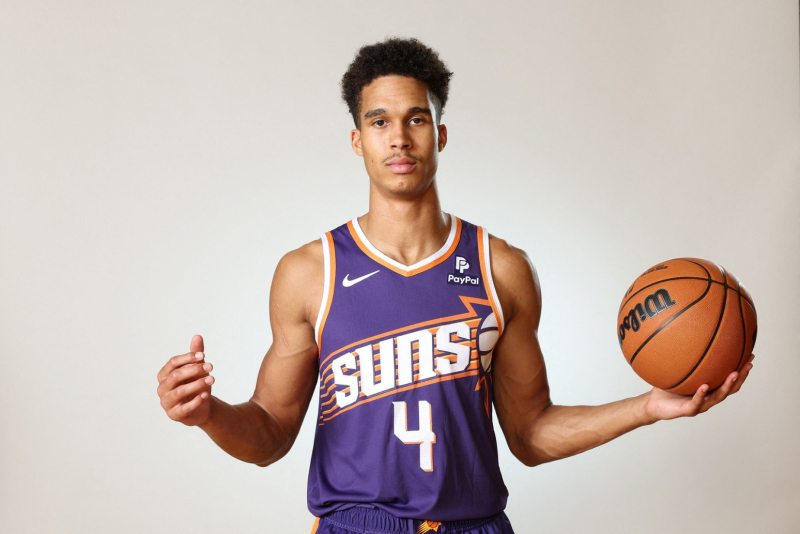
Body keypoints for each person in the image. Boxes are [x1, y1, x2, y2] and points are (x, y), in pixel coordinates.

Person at [156, 38, 754, 534]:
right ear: (358, 140)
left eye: (417, 118)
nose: (399, 137)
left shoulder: (502, 268)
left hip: (474, 525)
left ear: (440, 134)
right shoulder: (310, 272)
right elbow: (269, 432)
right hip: (356, 525)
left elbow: (530, 433)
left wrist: (646, 408)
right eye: (379, 121)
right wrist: (208, 413)